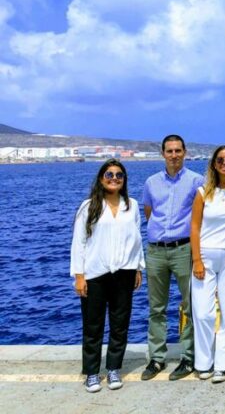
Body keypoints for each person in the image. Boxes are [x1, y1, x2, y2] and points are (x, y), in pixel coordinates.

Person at [70, 159, 144, 393]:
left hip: (124, 272)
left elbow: (137, 239)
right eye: (109, 174)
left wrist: (138, 267)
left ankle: (113, 368)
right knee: (93, 325)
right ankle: (92, 373)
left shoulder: (131, 205)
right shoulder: (89, 206)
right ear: (101, 179)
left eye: (119, 175)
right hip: (95, 274)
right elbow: (79, 242)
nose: (114, 178)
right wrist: (79, 276)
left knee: (120, 324)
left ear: (124, 180)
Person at [142, 134, 204, 381]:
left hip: (183, 249)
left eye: (178, 150)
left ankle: (188, 357)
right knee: (156, 308)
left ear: (185, 152)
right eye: (170, 151)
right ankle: (157, 358)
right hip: (156, 251)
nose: (174, 155)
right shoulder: (151, 182)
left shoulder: (196, 181)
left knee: (190, 305)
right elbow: (149, 212)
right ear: (163, 154)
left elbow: (200, 215)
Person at [190, 145, 225, 383]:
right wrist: (197, 259)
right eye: (220, 159)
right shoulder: (203, 193)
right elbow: (194, 227)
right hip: (205, 256)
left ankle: (224, 364)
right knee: (203, 313)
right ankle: (204, 363)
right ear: (213, 164)